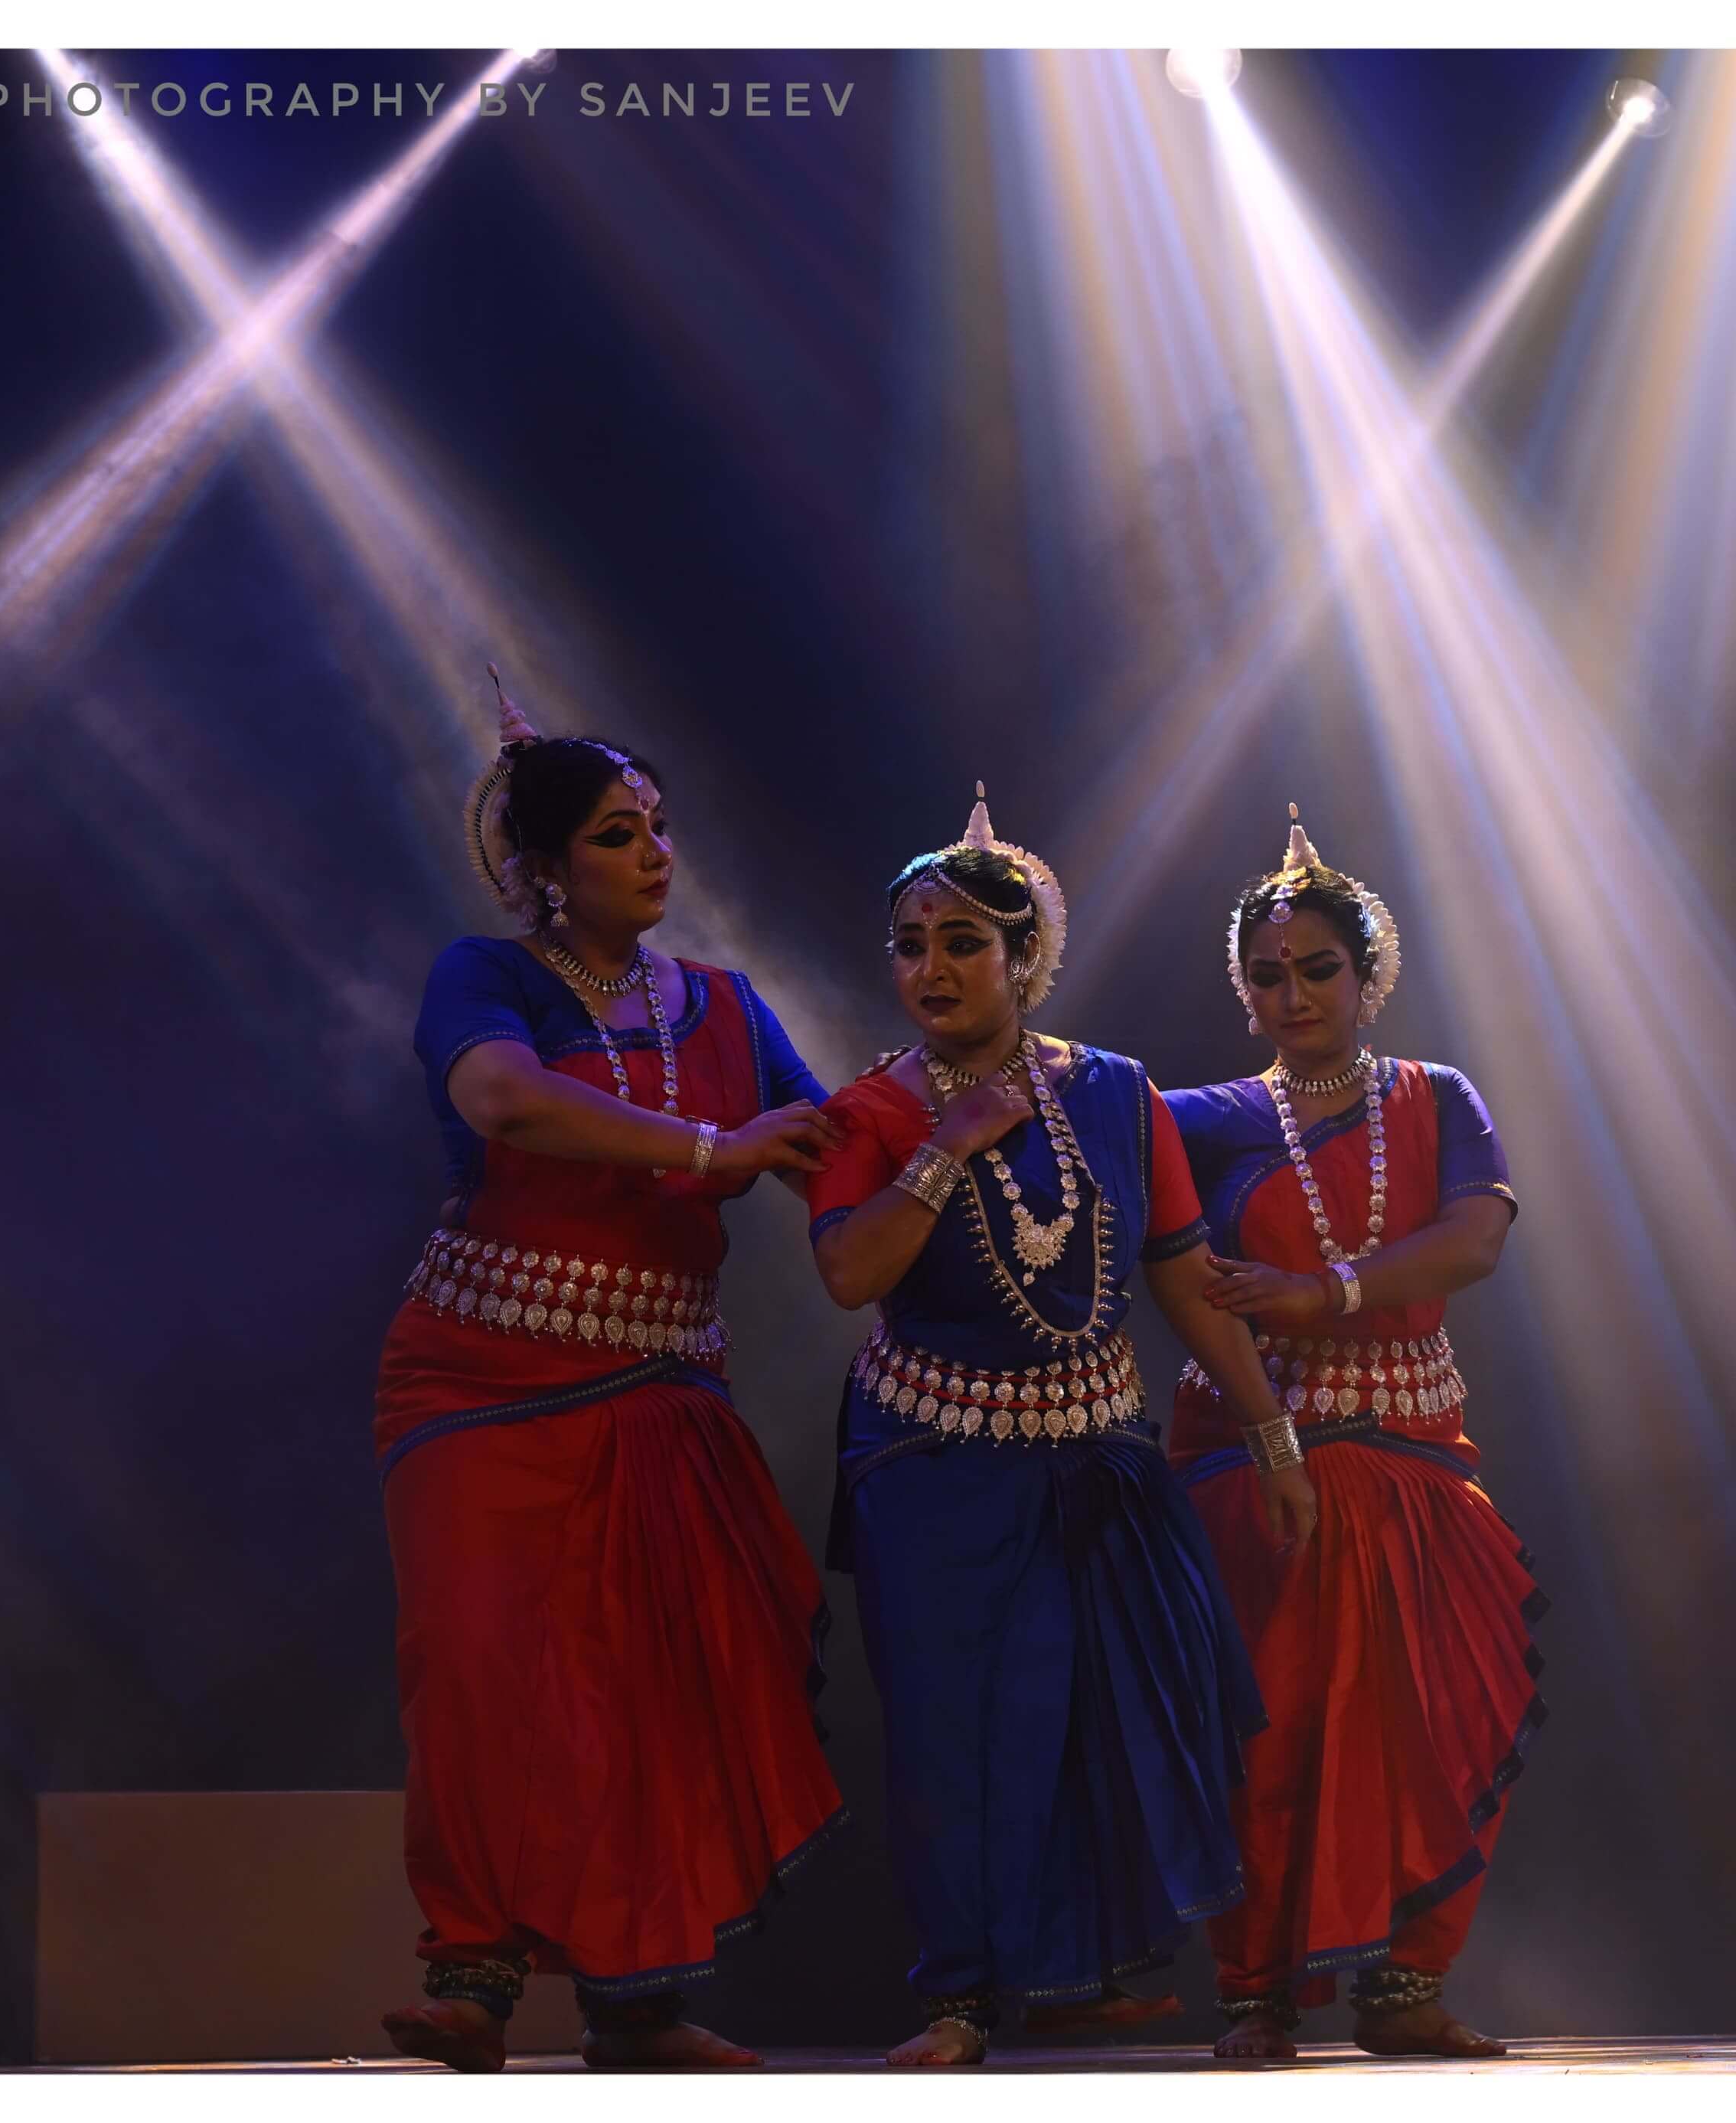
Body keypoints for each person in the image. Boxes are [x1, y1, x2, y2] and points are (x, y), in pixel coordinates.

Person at [371, 673, 846, 2072]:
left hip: (657, 1381)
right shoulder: (489, 978)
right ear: (542, 865)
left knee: (645, 1685)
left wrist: (984, 1115)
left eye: (657, 827)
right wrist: (713, 1150)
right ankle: (472, 1974)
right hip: (477, 1376)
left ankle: (636, 2003)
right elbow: (502, 1099)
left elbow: (827, 1147)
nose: (654, 854)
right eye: (616, 834)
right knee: (479, 1671)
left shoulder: (727, 1006)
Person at [804, 786, 1317, 2066]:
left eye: (962, 942)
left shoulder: (1120, 1094)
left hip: (1095, 1454)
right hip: (931, 1462)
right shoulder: (874, 1110)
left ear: (1024, 954)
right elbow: (850, 1272)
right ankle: (961, 1996)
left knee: (1100, 1711)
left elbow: (1185, 1278)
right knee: (952, 1732)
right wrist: (950, 1143)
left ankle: (1072, 1974)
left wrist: (1272, 1436)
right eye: (910, 944)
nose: (930, 969)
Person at [1163, 806, 1540, 2061]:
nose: (1292, 994)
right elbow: (1088, 1138)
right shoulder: (1204, 1116)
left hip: (1418, 1451)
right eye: (1266, 974)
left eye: (1318, 968)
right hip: (1266, 1460)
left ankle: (1404, 1987)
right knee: (1273, 1726)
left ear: (1369, 973)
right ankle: (1257, 1996)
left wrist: (1321, 1290)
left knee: (1439, 1720)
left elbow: (1475, 1239)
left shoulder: (1436, 1096)